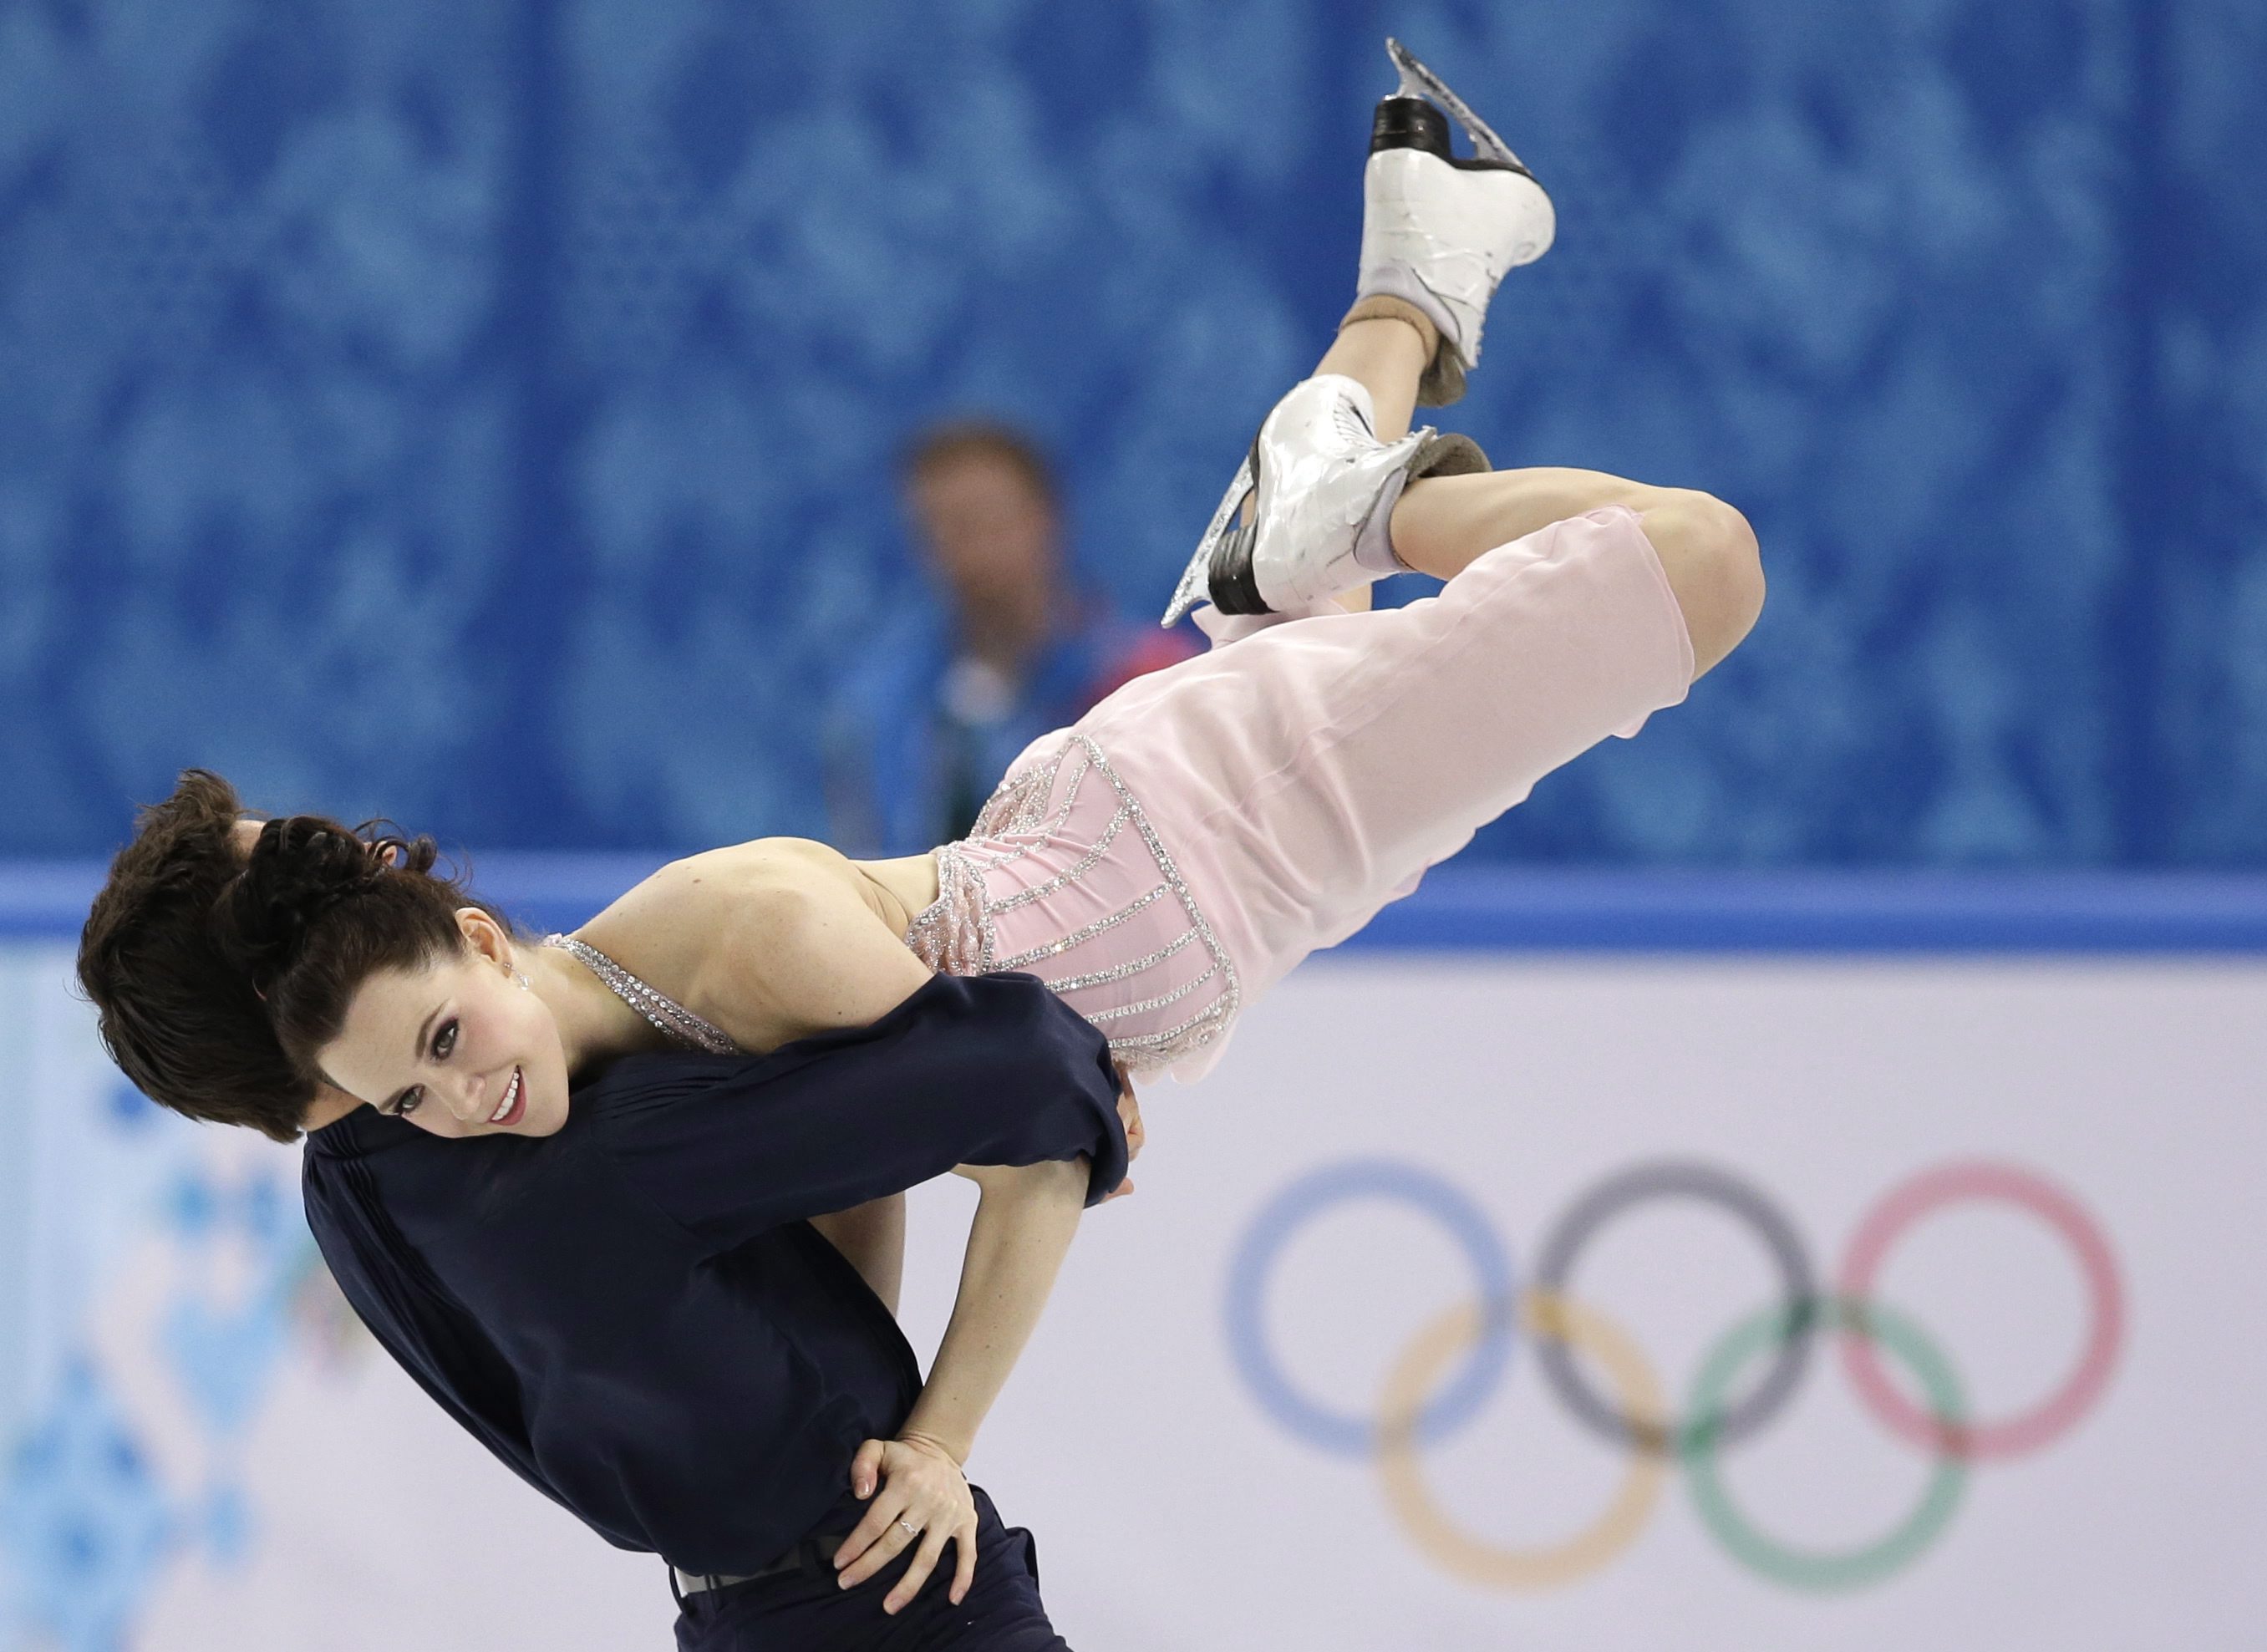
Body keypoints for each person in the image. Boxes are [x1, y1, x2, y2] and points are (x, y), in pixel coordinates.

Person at [77, 39, 1764, 1646]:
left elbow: (1044, 1108)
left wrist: (943, 1430)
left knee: (1695, 569)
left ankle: (1368, 505)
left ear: (477, 946)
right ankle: (1412, 278)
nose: (446, 1103)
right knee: (1304, 590)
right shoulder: (512, 1098)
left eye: (437, 1050)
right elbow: (874, 1156)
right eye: (402, 1089)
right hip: (1154, 870)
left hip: (1195, 849)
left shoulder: (732, 946)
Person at [827, 420, 1196, 853]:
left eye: (991, 520)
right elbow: (868, 861)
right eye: (945, 528)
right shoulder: (882, 707)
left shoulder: (1149, 679)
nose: (974, 548)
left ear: (1048, 517)